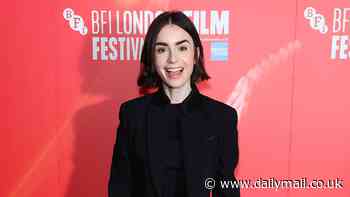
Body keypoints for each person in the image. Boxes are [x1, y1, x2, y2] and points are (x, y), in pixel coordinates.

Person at [108, 10, 240, 197]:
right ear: (152, 58)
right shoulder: (132, 115)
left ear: (196, 54)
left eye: (182, 48)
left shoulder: (222, 117)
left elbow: (226, 190)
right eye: (162, 49)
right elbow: (120, 187)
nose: (172, 59)